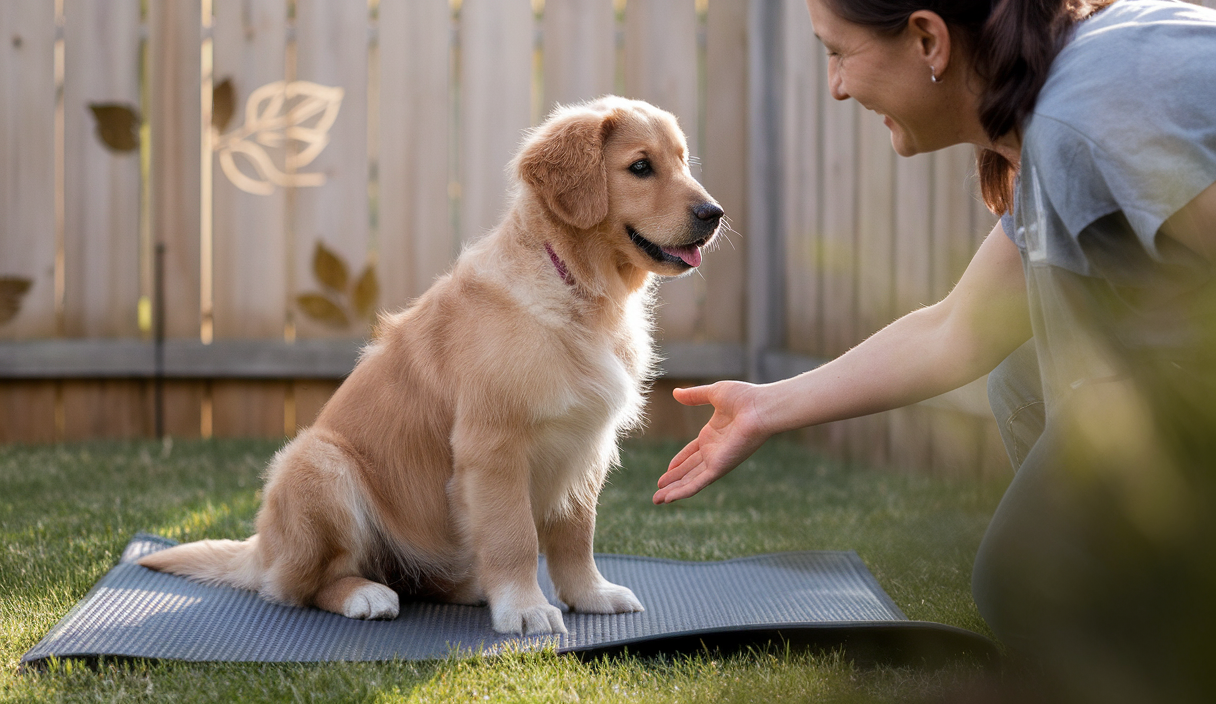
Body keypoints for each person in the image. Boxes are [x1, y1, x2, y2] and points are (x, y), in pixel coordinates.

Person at [653, 0, 1216, 700]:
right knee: (1022, 369)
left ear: (928, 40)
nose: (835, 86)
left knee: (1027, 581)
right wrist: (764, 407)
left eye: (838, 53)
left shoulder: (1093, 107)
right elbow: (958, 328)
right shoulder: (1049, 120)